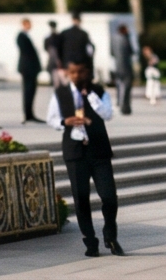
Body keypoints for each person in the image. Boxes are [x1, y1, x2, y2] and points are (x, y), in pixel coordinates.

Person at [54, 58, 120, 257]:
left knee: (109, 196)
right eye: (72, 72)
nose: (76, 76)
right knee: (81, 198)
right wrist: (66, 121)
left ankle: (110, 235)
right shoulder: (61, 93)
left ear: (87, 73)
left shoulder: (98, 92)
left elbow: (108, 114)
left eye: (80, 72)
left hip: (98, 150)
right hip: (75, 153)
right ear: (68, 73)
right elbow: (52, 119)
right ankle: (90, 241)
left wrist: (92, 100)